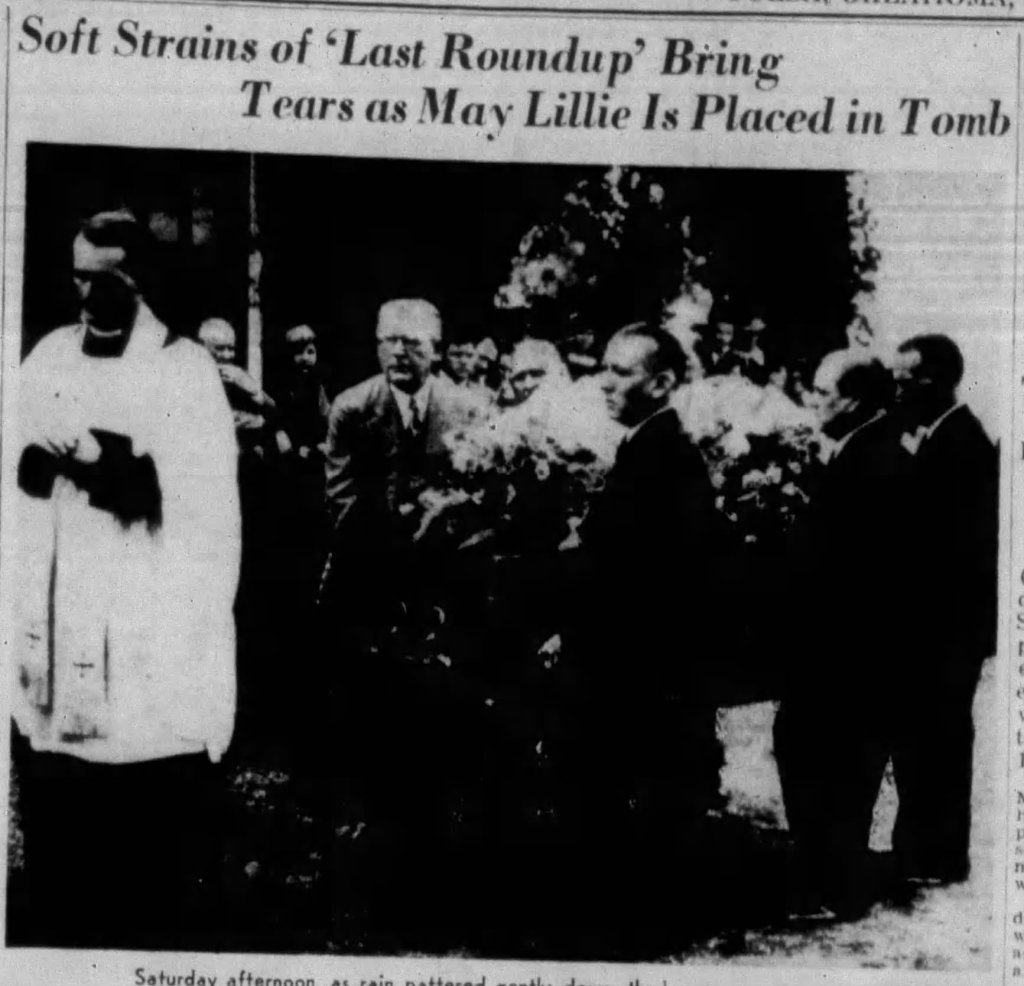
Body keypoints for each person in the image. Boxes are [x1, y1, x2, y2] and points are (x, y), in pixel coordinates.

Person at [10, 209, 240, 948]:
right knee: (62, 860)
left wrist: (91, 456)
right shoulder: (46, 357)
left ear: (138, 282)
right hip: (58, 610)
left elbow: (195, 509)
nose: (84, 296)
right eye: (77, 277)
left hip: (143, 631)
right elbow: (17, 478)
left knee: (143, 864)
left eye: (102, 282)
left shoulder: (182, 370)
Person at [561, 322, 727, 920]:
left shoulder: (663, 457)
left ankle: (637, 917)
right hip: (639, 655)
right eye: (604, 367)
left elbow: (641, 571)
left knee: (638, 784)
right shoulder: (648, 446)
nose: (605, 382)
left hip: (641, 660)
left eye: (621, 372)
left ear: (661, 384)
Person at [320, 298, 473, 941]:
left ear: (437, 347)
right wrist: (404, 527)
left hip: (449, 592)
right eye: (388, 342)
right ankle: (376, 897)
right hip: (376, 593)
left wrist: (447, 528)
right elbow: (341, 499)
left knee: (445, 742)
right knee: (379, 744)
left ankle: (442, 889)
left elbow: (485, 490)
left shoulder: (468, 409)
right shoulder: (353, 408)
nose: (398, 354)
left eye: (412, 343)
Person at [774, 348, 909, 917]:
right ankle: (832, 879)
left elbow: (842, 562)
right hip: (855, 648)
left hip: (848, 650)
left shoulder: (871, 461)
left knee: (827, 758)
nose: (812, 400)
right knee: (829, 759)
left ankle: (835, 886)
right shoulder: (869, 453)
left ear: (853, 401)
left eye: (821, 392)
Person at [891, 334, 998, 885]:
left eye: (904, 380)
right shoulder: (944, 437)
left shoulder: (962, 445)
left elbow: (956, 551)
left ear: (931, 381)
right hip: (939, 626)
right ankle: (925, 850)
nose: (897, 390)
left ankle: (937, 856)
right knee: (926, 736)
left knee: (938, 738)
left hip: (946, 628)